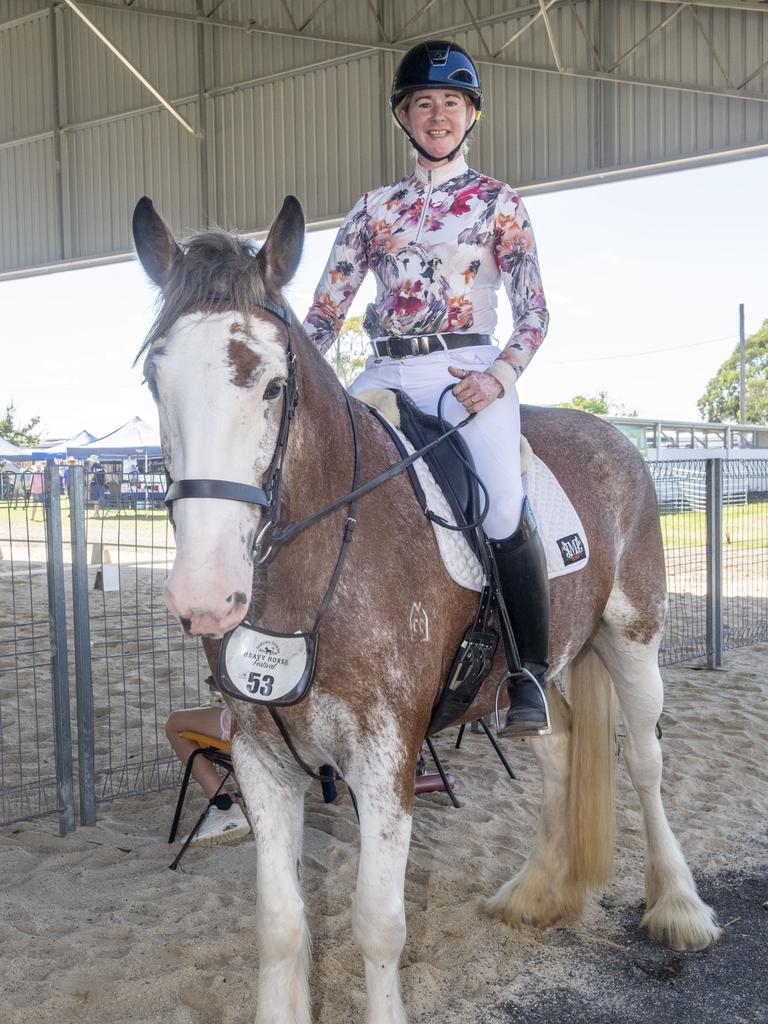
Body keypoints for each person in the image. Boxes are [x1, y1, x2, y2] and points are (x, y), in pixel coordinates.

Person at [304, 41, 551, 736]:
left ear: (470, 114)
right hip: (383, 370)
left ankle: (528, 669)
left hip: (465, 371)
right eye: (423, 103)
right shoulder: (373, 209)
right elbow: (325, 313)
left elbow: (534, 314)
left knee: (501, 504)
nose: (437, 115)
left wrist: (497, 377)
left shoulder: (500, 203)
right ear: (404, 117)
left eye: (450, 103)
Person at [165, 702, 251, 846]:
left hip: (248, 722)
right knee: (206, 710)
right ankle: (253, 799)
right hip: (287, 735)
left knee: (174, 723)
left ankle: (223, 807)